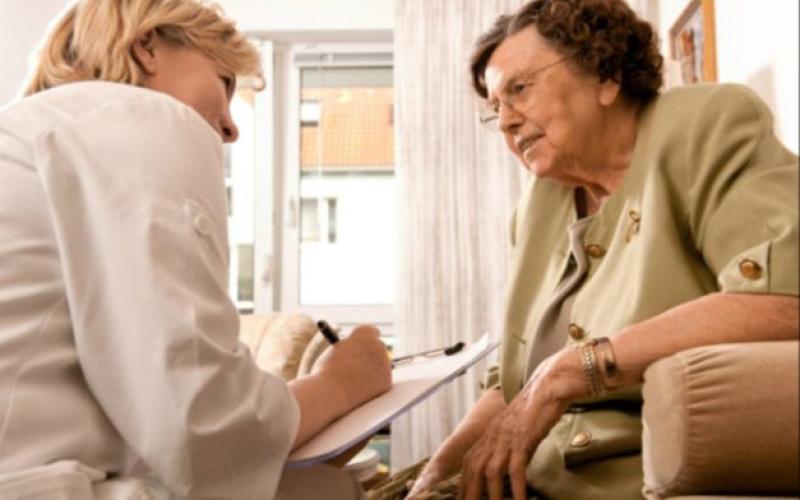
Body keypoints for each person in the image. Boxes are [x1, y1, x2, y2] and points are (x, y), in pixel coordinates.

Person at [404, 0, 799, 498]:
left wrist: (574, 369)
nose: (504, 122)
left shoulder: (703, 125)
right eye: (494, 107)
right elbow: (509, 384)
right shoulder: (538, 205)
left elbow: (785, 298)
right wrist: (437, 472)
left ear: (605, 74)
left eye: (519, 90)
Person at [0, 1, 391, 499]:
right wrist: (342, 383)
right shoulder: (139, 118)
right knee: (330, 490)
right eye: (223, 83)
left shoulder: (30, 135)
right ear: (147, 47)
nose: (231, 128)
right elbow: (200, 423)